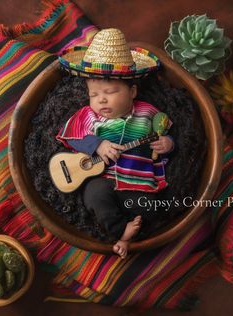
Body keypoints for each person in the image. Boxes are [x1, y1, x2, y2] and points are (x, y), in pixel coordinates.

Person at [55, 28, 174, 258]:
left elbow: (167, 132)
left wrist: (167, 143)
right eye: (94, 94)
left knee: (154, 208)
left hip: (138, 183)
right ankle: (121, 232)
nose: (101, 99)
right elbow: (72, 135)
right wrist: (97, 145)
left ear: (132, 91)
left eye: (110, 91)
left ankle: (129, 238)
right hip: (105, 181)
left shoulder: (148, 113)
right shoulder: (89, 116)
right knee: (94, 195)